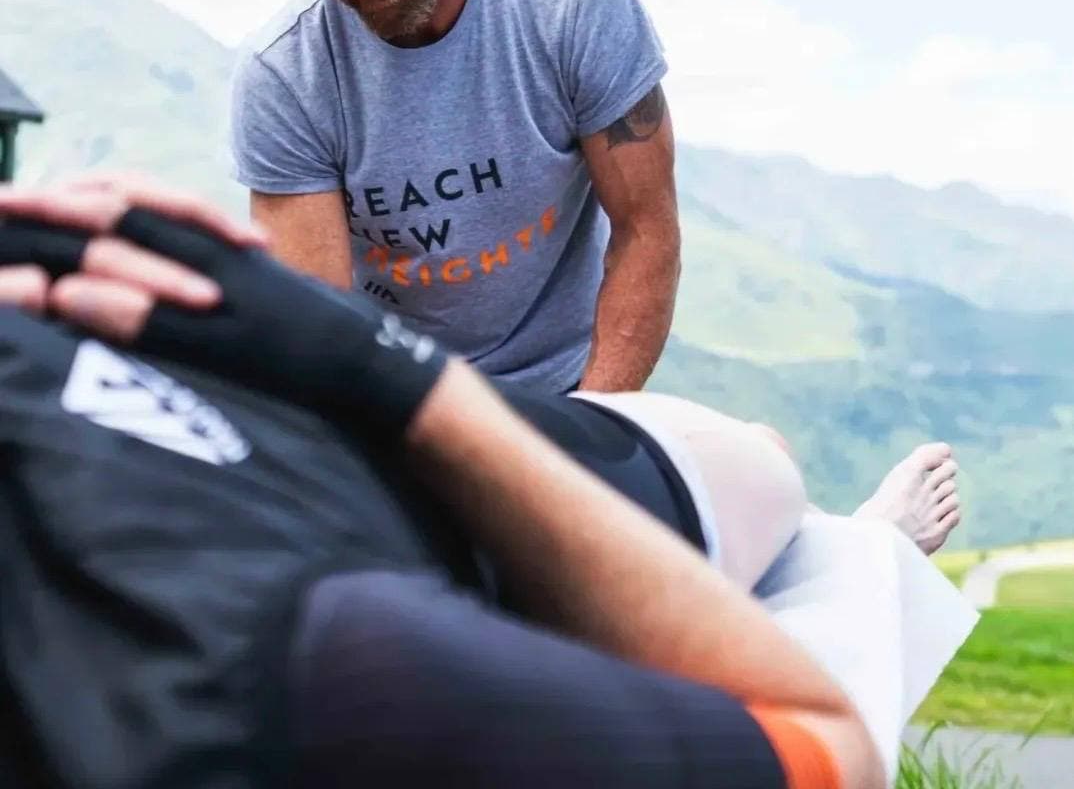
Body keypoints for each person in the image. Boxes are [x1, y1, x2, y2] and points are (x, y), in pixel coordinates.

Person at [0, 176, 968, 787]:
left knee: (762, 460)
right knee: (770, 480)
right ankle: (870, 549)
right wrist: (400, 376)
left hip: (289, 409)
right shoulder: (299, 665)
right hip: (458, 494)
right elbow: (834, 753)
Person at [233, 0, 679, 394]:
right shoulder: (284, 76)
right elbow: (319, 329)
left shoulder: (574, 5)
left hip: (572, 389)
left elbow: (646, 232)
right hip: (401, 404)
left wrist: (595, 419)